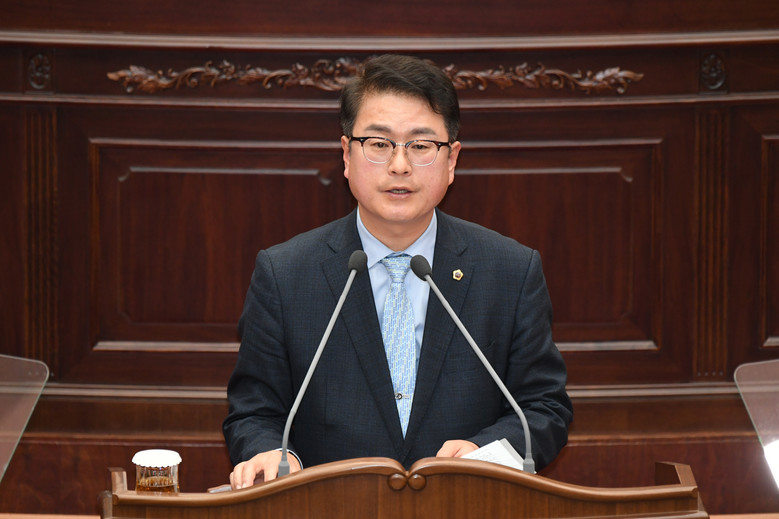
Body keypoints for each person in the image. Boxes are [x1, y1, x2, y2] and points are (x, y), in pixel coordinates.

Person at [223, 54, 572, 489]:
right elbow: (254, 412)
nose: (400, 165)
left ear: (451, 160)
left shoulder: (510, 271)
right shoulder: (285, 274)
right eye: (379, 143)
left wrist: (486, 453)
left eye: (421, 146)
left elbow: (544, 408)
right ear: (346, 155)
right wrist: (273, 454)